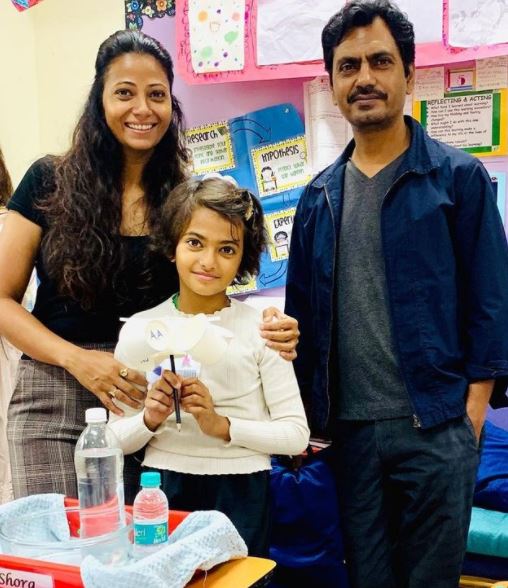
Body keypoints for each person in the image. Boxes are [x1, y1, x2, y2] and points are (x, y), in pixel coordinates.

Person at [0, 30, 299, 502]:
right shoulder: (48, 180)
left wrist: (267, 324)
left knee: (141, 555)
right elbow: (1, 299)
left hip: (150, 396)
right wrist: (78, 360)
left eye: (156, 95)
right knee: (56, 553)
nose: (142, 108)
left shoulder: (182, 195)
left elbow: (205, 283)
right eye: (124, 93)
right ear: (99, 100)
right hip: (54, 392)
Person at [285, 1, 508, 586]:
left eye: (380, 61)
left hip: (435, 428)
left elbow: (492, 303)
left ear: (408, 75)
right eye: (348, 65)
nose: (364, 78)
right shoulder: (318, 198)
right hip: (349, 438)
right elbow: (301, 318)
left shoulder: (458, 180)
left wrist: (470, 417)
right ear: (332, 83)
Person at [109, 177, 310, 556]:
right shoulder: (139, 330)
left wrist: (223, 426)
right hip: (162, 489)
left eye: (227, 249)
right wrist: (149, 418)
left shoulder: (264, 329)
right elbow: (112, 441)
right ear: (172, 245)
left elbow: (296, 435)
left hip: (244, 489)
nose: (208, 261)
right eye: (195, 242)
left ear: (243, 259)